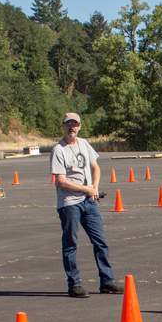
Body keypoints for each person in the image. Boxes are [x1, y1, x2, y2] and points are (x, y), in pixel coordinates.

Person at [51, 113, 121, 297]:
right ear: (63, 126)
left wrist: (94, 188)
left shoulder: (84, 144)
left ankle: (107, 281)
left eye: (75, 124)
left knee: (100, 241)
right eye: (68, 124)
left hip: (88, 201)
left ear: (79, 126)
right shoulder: (58, 150)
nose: (71, 128)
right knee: (70, 244)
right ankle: (74, 284)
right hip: (69, 204)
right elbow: (61, 182)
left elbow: (95, 167)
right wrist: (86, 189)